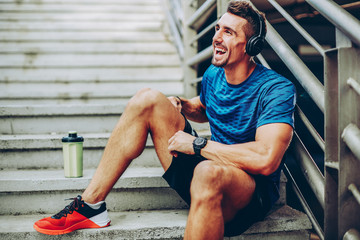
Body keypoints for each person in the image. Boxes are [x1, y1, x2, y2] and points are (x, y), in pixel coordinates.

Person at [33, 0, 296, 238]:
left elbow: (266, 158)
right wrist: (182, 105)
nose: (216, 37)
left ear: (251, 45)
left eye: (228, 32)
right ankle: (91, 205)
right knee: (147, 98)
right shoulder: (214, 76)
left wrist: (197, 145)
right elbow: (205, 107)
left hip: (247, 193)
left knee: (207, 172)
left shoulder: (276, 89)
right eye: (218, 28)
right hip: (208, 170)